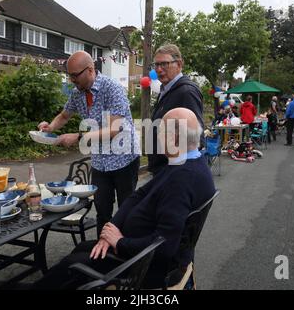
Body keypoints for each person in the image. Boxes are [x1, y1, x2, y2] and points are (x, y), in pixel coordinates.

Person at [29, 108, 216, 290]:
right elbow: (138, 195)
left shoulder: (181, 179)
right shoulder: (190, 162)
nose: (156, 136)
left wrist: (118, 242)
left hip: (142, 265)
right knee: (83, 249)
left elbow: (164, 246)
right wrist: (113, 227)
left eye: (160, 131)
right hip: (137, 248)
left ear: (173, 138)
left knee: (72, 265)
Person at [38, 51, 140, 236]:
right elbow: (64, 115)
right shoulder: (78, 93)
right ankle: (102, 253)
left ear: (91, 70)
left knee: (126, 209)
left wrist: (78, 137)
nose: (71, 80)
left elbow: (115, 129)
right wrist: (49, 128)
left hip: (124, 157)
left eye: (75, 75)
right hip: (100, 161)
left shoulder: (112, 88)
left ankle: (127, 252)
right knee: (102, 210)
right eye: (69, 75)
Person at [147, 44, 204, 176]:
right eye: (156, 65)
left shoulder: (186, 92)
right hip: (164, 169)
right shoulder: (166, 89)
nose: (159, 69)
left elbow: (195, 139)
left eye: (164, 64)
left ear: (179, 64)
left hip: (174, 172)